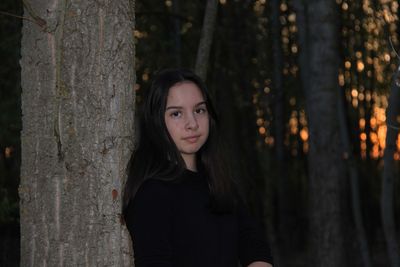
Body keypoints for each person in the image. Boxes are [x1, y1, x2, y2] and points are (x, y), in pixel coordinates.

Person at [123, 69, 273, 267]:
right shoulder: (152, 192)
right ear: (156, 121)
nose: (192, 124)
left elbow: (254, 245)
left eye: (199, 110)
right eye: (176, 113)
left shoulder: (219, 182)